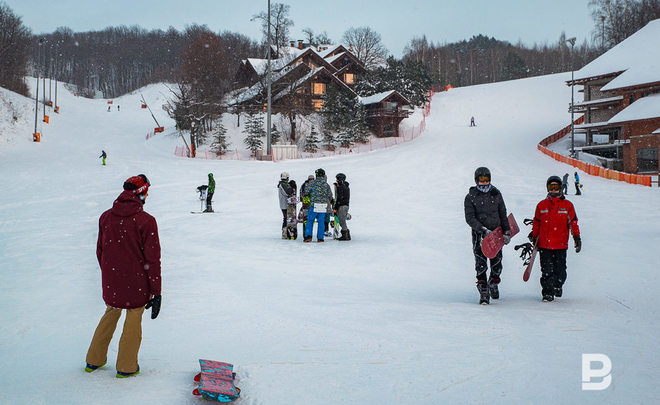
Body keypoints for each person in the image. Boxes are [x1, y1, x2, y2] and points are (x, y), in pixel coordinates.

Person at [85, 174, 161, 378]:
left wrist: (110, 275)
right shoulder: (146, 221)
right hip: (136, 283)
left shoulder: (106, 216)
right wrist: (156, 291)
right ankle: (126, 367)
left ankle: (94, 360)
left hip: (112, 280)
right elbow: (153, 260)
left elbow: (100, 251)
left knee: (111, 313)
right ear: (141, 193)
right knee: (133, 318)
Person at [529, 176, 581, 302]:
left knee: (560, 271)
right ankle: (547, 292)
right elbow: (536, 222)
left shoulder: (567, 205)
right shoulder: (541, 205)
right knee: (546, 270)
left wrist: (577, 237)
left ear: (560, 189)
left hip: (560, 244)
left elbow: (573, 222)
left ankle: (558, 285)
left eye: (556, 187)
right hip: (545, 244)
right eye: (551, 187)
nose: (553, 190)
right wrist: (534, 235)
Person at [464, 167, 511, 305]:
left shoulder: (496, 194)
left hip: (496, 234)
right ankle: (484, 291)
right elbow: (470, 218)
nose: (484, 183)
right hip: (480, 235)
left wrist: (506, 231)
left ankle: (493, 282)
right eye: (481, 180)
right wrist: (482, 230)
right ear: (476, 180)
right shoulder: (471, 197)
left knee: (497, 263)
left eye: (487, 180)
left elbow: (503, 213)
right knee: (481, 264)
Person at [303, 168, 333, 243]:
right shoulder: (326, 184)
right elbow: (330, 195)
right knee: (321, 222)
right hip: (323, 206)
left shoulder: (313, 183)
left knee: (310, 221)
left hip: (314, 205)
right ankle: (320, 238)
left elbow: (306, 192)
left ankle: (308, 237)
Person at [334, 173, 351, 241]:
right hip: (344, 205)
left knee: (342, 220)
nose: (336, 181)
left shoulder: (342, 187)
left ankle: (346, 235)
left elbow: (340, 197)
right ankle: (346, 234)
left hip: (342, 206)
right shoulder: (345, 186)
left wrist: (336, 206)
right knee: (341, 220)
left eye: (337, 179)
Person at [278, 172, 293, 239]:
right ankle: (285, 233)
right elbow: (287, 192)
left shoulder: (282, 184)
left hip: (283, 204)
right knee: (286, 218)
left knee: (286, 218)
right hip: (285, 204)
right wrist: (291, 188)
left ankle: (285, 232)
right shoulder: (283, 185)